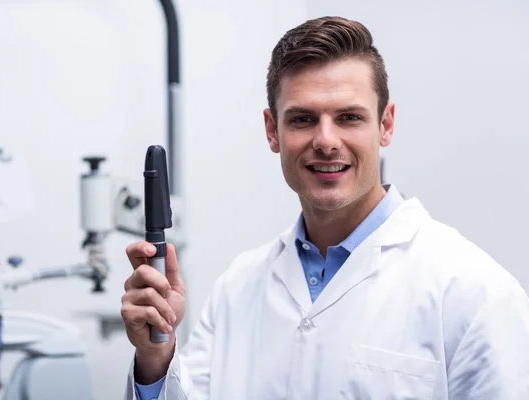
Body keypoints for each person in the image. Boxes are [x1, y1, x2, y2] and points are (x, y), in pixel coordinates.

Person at [121, 16, 529, 399]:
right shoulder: (238, 288)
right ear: (272, 130)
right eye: (303, 119)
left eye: (349, 117)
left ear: (385, 125)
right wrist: (156, 356)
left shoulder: (475, 292)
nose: (327, 140)